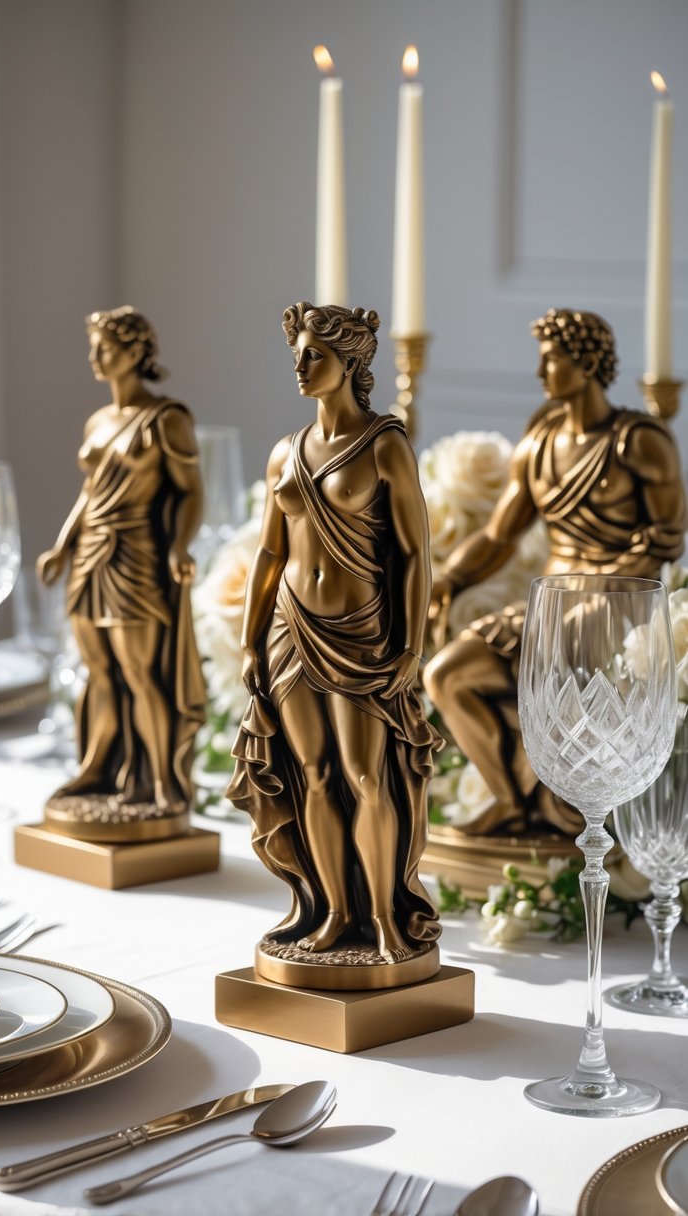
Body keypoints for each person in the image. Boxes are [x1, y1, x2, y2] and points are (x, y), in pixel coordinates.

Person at [227, 301, 441, 967]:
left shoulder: (385, 444)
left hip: (362, 635)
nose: (300, 367)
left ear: (349, 363)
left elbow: (415, 553)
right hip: (290, 629)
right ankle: (333, 915)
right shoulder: (283, 452)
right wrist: (249, 638)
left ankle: (384, 918)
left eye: (313, 356)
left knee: (366, 776)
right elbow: (269, 553)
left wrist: (411, 647)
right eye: (296, 355)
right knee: (313, 776)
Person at [424, 308, 686, 835]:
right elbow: (499, 536)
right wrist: (448, 580)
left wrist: (594, 594)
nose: (540, 372)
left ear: (586, 362)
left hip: (616, 609)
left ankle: (567, 812)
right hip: (548, 605)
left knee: (562, 668)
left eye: (552, 359)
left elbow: (665, 540)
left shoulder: (638, 441)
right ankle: (511, 802)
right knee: (446, 674)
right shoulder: (539, 443)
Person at [38, 306, 205, 819]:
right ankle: (97, 769)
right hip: (90, 555)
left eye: (105, 348)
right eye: (93, 346)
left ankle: (163, 780)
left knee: (139, 671)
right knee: (98, 673)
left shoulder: (167, 419)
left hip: (135, 556)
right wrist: (63, 546)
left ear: (135, 353)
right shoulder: (98, 420)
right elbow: (89, 493)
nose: (94, 357)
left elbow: (190, 492)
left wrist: (179, 547)